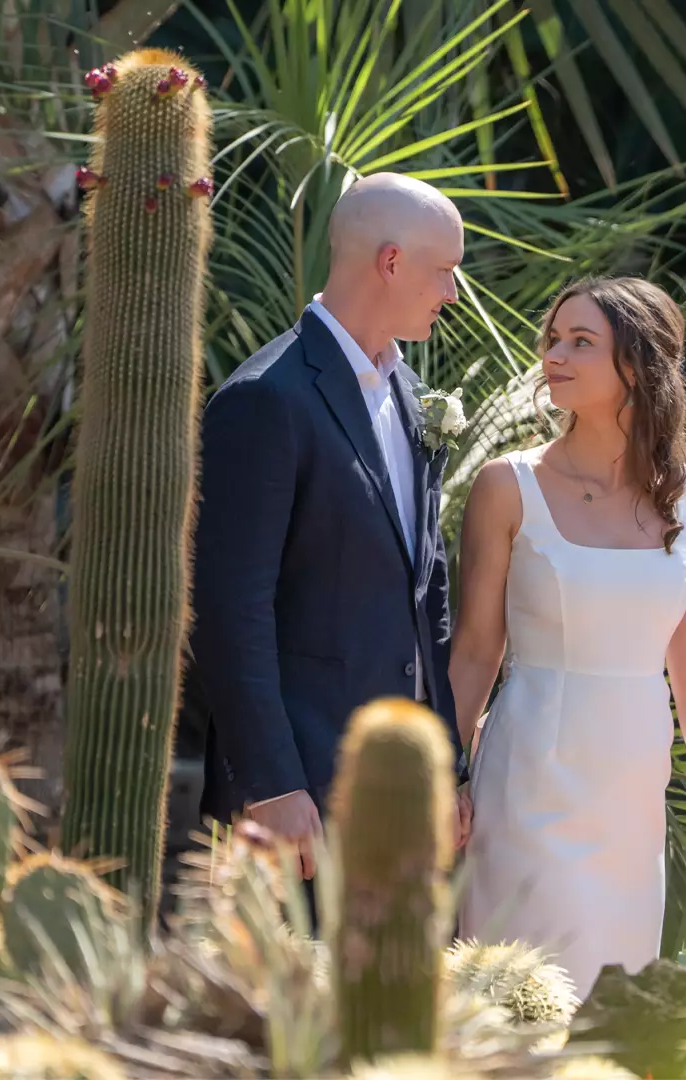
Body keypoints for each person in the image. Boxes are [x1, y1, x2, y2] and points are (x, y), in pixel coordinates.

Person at [451, 275, 686, 997]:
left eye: (581, 342)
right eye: (553, 338)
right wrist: (443, 773)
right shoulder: (505, 486)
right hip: (527, 779)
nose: (555, 354)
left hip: (631, 794)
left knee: (611, 1003)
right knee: (510, 998)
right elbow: (475, 652)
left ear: (637, 367)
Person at [190, 172, 473, 892]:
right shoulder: (265, 400)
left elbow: (425, 593)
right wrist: (275, 786)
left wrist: (448, 767)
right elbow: (231, 611)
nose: (452, 293)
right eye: (444, 271)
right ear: (390, 262)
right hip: (304, 800)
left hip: (400, 798)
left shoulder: (409, 394)